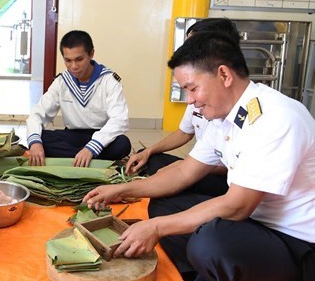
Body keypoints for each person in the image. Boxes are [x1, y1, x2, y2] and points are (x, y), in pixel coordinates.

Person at [83, 32, 314, 281]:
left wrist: (157, 228)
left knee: (210, 241)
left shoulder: (275, 117)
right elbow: (184, 172)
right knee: (164, 205)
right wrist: (121, 190)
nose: (190, 101)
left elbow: (237, 206)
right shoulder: (222, 118)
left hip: (295, 242)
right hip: (257, 223)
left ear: (224, 75)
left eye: (193, 89)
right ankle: (197, 273)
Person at [126, 18, 241, 197]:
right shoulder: (199, 92)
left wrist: (183, 167)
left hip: (220, 176)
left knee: (167, 194)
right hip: (200, 163)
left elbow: (229, 168)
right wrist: (149, 151)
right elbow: (185, 132)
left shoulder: (238, 104)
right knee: (150, 160)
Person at [26, 30, 131, 167]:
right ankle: (86, 159)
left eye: (79, 59)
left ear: (91, 54)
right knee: (40, 138)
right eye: (68, 60)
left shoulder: (109, 80)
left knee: (122, 144)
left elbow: (119, 119)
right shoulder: (62, 81)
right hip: (71, 136)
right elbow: (38, 113)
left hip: (100, 136)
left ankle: (77, 157)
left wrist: (91, 148)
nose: (74, 67)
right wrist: (35, 144)